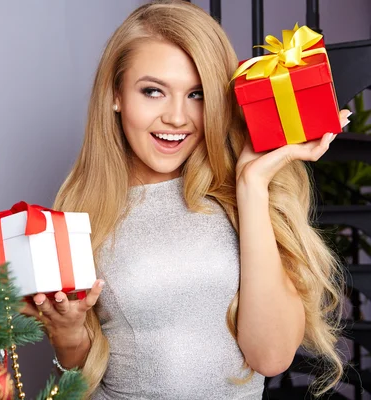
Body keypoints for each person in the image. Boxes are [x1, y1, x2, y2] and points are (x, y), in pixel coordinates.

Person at [21, 1, 349, 398]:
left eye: (197, 94)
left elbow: (272, 356)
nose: (177, 117)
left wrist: (250, 187)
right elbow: (81, 369)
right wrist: (67, 333)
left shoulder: (248, 198)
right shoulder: (81, 211)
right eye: (153, 91)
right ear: (116, 94)